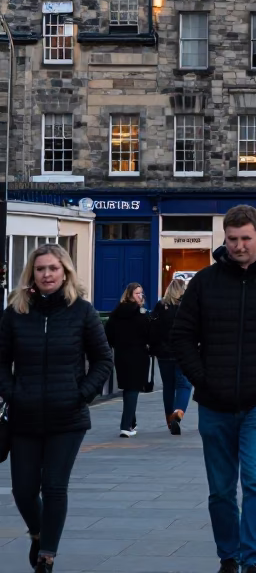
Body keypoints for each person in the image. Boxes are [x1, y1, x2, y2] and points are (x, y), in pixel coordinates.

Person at [170, 204, 256, 573]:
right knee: (220, 489)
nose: (238, 246)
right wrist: (203, 379)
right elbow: (182, 337)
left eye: (245, 238)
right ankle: (228, 557)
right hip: (214, 403)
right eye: (232, 239)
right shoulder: (205, 282)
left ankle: (252, 561)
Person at [0, 244, 113, 573]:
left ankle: (47, 555)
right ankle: (38, 533)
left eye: (53, 268)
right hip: (24, 415)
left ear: (65, 272)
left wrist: (83, 394)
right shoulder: (16, 311)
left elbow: (103, 359)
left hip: (68, 417)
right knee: (22, 490)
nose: (46, 274)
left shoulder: (83, 311)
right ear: (31, 274)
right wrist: (12, 392)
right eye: (40, 269)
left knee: (53, 486)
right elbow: (2, 360)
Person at [104, 282, 151, 438]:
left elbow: (108, 332)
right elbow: (148, 332)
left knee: (128, 389)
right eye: (137, 293)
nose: (141, 296)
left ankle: (131, 423)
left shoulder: (116, 312)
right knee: (133, 389)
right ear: (130, 295)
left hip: (121, 354)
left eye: (141, 293)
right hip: (137, 355)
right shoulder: (140, 313)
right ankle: (125, 426)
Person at [150, 278, 194, 435]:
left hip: (163, 353)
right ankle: (178, 413)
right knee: (184, 385)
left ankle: (169, 419)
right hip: (183, 352)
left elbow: (152, 329)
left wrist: (154, 348)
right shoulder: (188, 306)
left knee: (168, 386)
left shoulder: (160, 306)